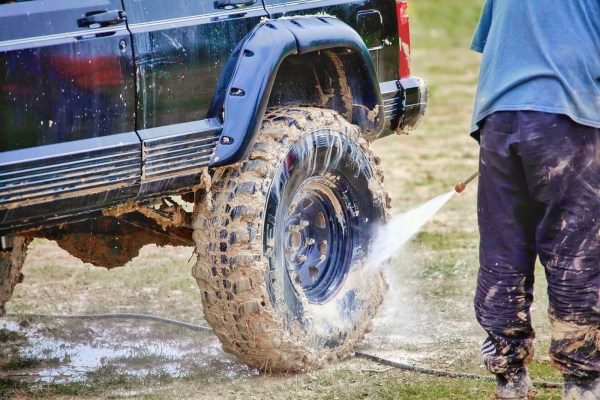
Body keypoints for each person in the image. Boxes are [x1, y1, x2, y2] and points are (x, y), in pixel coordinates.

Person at [470, 1, 600, 399]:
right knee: (575, 249)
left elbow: (495, 43)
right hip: (567, 114)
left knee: (503, 249)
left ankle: (509, 378)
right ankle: (582, 383)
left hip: (498, 118)